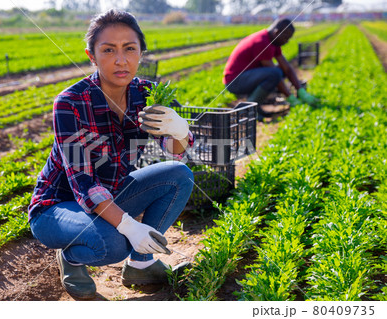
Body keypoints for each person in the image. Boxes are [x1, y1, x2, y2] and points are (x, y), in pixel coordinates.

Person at [28, 9, 195, 300]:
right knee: (114, 244)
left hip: (112, 192)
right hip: (57, 207)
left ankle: (142, 264)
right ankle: (72, 258)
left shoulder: (148, 95)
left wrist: (179, 131)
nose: (121, 60)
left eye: (130, 49)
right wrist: (130, 226)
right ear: (91, 55)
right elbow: (84, 185)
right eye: (108, 50)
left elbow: (175, 152)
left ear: (141, 52)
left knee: (179, 175)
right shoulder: (70, 103)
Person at [223, 18, 319, 118]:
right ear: (277, 32)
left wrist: (300, 90)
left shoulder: (273, 40)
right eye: (286, 38)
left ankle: (256, 107)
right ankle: (249, 108)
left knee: (279, 71)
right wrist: (290, 97)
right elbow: (274, 74)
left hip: (247, 77)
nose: (287, 42)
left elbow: (286, 67)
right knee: (275, 74)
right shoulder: (262, 42)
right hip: (235, 82)